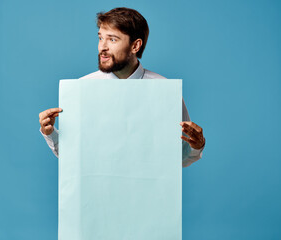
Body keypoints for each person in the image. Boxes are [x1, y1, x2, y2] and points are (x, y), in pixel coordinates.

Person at [39, 7, 205, 167]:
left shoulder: (165, 92)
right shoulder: (82, 88)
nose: (102, 47)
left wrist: (196, 145)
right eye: (100, 38)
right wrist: (50, 132)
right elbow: (74, 155)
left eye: (112, 39)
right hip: (95, 193)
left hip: (147, 193)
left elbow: (178, 158)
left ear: (135, 46)